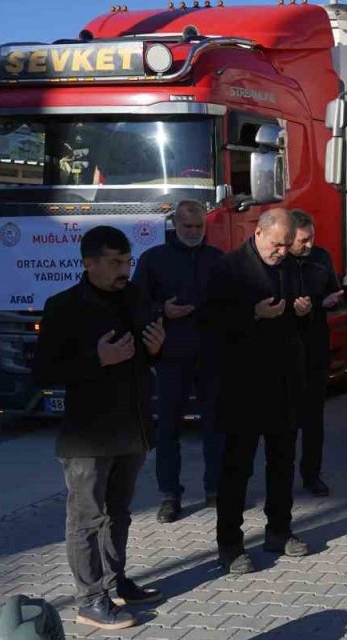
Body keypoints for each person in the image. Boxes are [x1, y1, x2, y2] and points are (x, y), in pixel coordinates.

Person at [33, 226, 167, 630]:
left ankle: (115, 582)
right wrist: (97, 359)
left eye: (127, 261)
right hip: (88, 435)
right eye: (114, 262)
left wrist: (157, 349)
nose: (123, 269)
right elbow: (43, 372)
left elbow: (145, 357)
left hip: (133, 427)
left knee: (119, 515)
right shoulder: (64, 306)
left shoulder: (136, 297)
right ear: (88, 262)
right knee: (86, 519)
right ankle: (89, 600)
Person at [206, 208, 313, 575]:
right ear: (260, 232)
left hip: (283, 381)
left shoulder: (291, 267)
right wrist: (251, 314)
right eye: (277, 244)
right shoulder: (229, 268)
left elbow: (304, 319)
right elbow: (211, 322)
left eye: (286, 245)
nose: (282, 252)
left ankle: (279, 530)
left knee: (282, 462)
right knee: (236, 468)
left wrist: (302, 310)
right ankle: (230, 544)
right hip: (242, 385)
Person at [131, 200, 224, 523]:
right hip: (171, 356)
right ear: (175, 225)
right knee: (169, 427)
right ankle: (169, 495)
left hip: (211, 355)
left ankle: (216, 489)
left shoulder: (217, 259)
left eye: (199, 227)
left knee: (216, 425)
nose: (194, 233)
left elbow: (233, 300)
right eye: (187, 227)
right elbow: (135, 304)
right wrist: (162, 311)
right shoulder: (154, 260)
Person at [288, 209, 345, 498]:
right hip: (285, 350)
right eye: (303, 240)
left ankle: (312, 474)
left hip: (315, 348)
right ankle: (282, 474)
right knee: (284, 418)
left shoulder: (321, 257)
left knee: (314, 419)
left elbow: (332, 293)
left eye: (311, 238)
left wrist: (331, 301)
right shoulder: (280, 260)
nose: (308, 245)